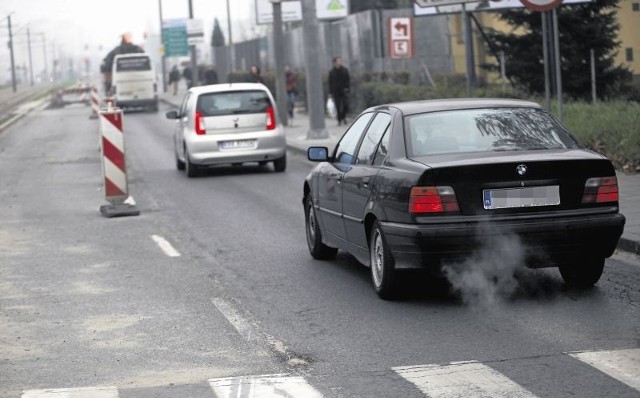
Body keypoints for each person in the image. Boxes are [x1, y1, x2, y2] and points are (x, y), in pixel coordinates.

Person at [328, 57, 350, 125]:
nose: (339, 62)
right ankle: (339, 120)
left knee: (345, 105)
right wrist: (330, 93)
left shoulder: (345, 70)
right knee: (337, 106)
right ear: (335, 62)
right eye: (338, 61)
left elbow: (348, 80)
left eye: (340, 61)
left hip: (344, 90)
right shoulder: (332, 72)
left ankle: (343, 117)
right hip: (335, 91)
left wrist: (348, 88)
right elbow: (330, 83)